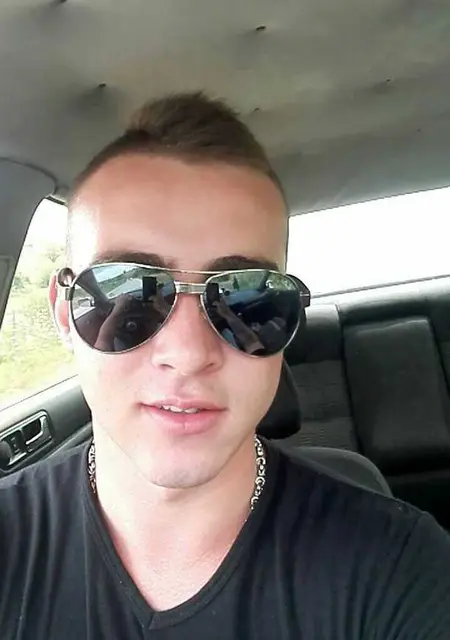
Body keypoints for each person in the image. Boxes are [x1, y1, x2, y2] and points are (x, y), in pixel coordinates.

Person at [0, 92, 449, 639]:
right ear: (65, 315)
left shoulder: (398, 570)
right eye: (128, 292)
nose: (189, 354)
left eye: (246, 299)